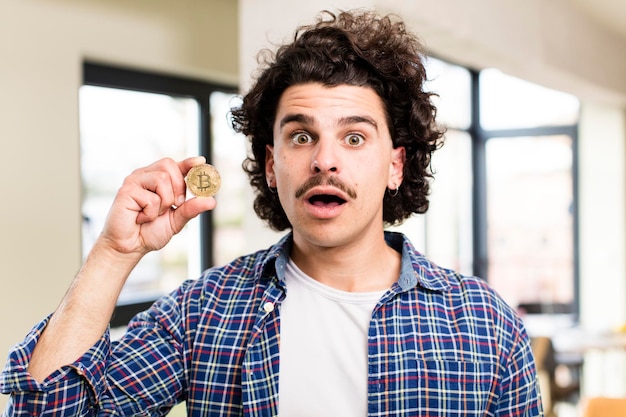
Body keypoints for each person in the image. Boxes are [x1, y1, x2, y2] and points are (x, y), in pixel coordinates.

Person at [0, 9, 543, 417]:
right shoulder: (204, 313)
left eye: (354, 137)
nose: (325, 160)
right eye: (302, 135)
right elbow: (49, 409)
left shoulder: (485, 328)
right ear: (272, 164)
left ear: (395, 166)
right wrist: (113, 254)